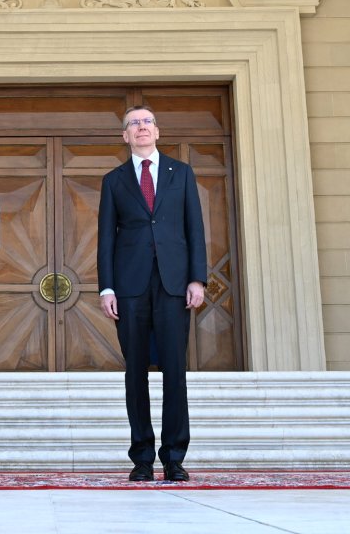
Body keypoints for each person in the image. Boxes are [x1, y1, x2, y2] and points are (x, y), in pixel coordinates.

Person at [97, 105, 207, 482]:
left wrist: (198, 279)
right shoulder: (113, 181)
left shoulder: (183, 174)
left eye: (147, 122)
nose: (141, 128)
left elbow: (195, 229)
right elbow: (105, 239)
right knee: (136, 372)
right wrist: (107, 287)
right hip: (129, 288)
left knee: (175, 371)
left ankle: (174, 456)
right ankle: (142, 457)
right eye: (133, 124)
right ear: (125, 136)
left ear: (157, 132)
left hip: (175, 284)